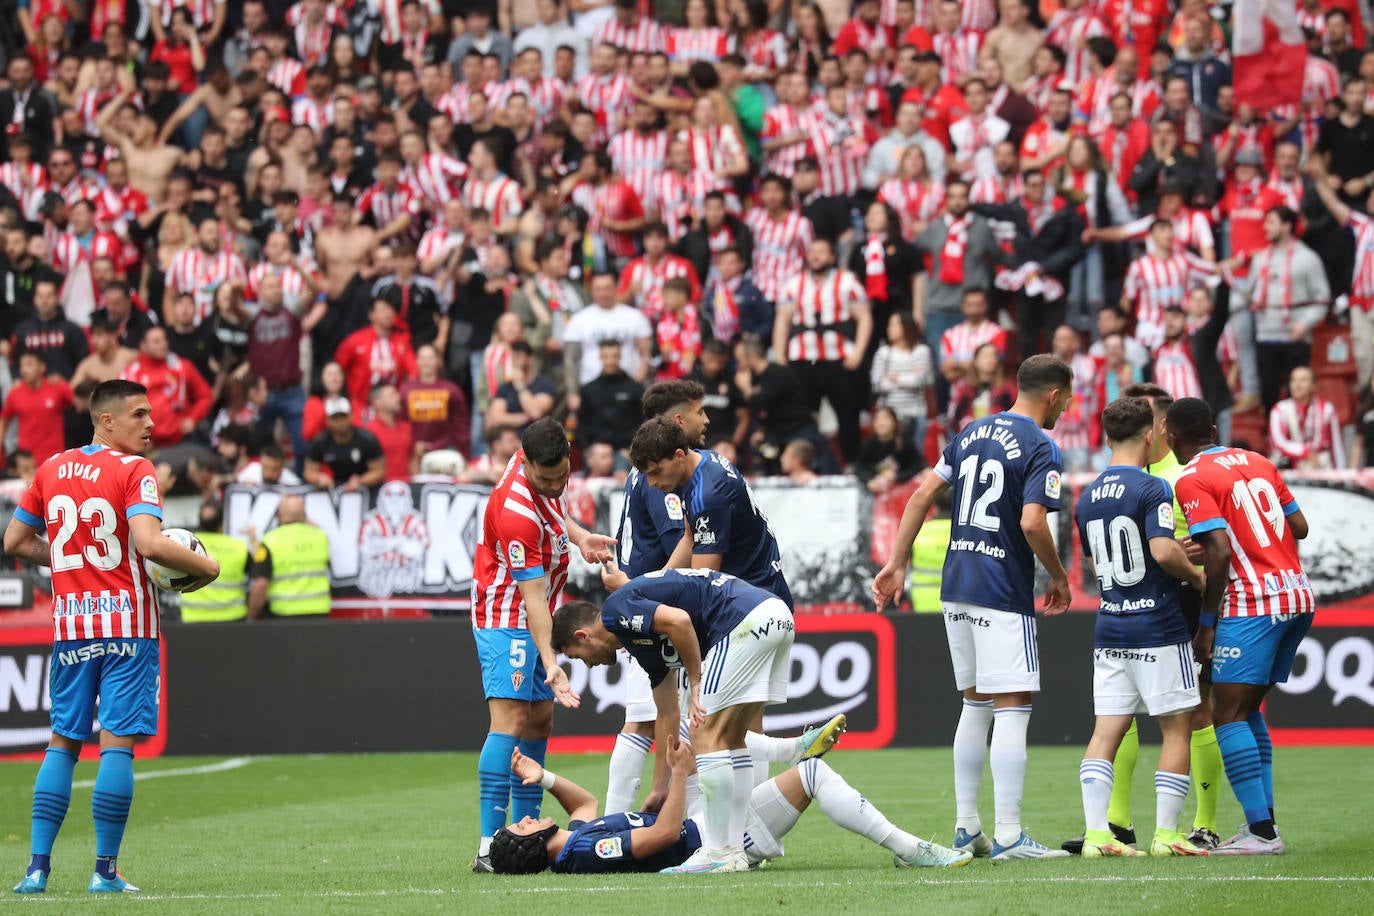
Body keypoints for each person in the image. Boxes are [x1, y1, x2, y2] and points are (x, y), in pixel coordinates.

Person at [7, 379, 220, 895]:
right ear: (107, 420)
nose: (151, 424)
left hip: (71, 628)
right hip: (128, 627)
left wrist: (64, 561)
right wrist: (206, 566)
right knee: (116, 750)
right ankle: (104, 871)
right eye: (140, 415)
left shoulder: (51, 468)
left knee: (61, 746)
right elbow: (149, 544)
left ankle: (36, 869)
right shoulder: (135, 469)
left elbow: (15, 541)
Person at [873, 355, 1075, 861]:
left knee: (974, 701)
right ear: (1053, 395)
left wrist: (896, 563)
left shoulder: (971, 431)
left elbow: (921, 495)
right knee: (1012, 705)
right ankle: (1009, 835)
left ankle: (967, 828)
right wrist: (1057, 573)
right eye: (1066, 400)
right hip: (1002, 587)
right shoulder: (1041, 444)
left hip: (956, 581)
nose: (1066, 408)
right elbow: (1032, 523)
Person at [553, 567, 794, 873]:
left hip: (744, 620)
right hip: (775, 615)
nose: (587, 664)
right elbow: (667, 714)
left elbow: (680, 621)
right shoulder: (640, 643)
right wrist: (660, 787)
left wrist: (696, 683)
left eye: (577, 656)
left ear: (582, 636)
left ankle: (719, 851)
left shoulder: (615, 612)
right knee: (732, 738)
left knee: (704, 731)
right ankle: (734, 849)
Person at [488, 729, 970, 874]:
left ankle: (790, 747)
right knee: (814, 775)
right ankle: (913, 851)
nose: (527, 817)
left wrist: (544, 775)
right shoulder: (579, 854)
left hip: (700, 816)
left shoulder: (570, 840)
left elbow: (587, 803)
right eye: (522, 826)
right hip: (711, 835)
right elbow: (662, 835)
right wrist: (678, 778)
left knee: (703, 732)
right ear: (530, 845)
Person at [1166, 397, 1315, 856]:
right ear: (1213, 427)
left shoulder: (1191, 476)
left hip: (1253, 602)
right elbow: (1301, 526)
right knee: (1248, 710)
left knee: (1225, 713)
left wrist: (1206, 625)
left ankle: (1263, 834)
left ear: (1172, 437)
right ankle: (1262, 823)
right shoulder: (1258, 461)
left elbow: (1220, 552)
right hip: (1296, 594)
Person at [470, 418, 615, 873]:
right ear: (525, 461)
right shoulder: (515, 511)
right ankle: (490, 846)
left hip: (535, 614)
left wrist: (580, 535)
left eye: (562, 477)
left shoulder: (544, 470)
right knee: (510, 718)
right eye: (546, 478)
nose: (555, 485)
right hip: (507, 616)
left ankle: (526, 833)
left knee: (539, 719)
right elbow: (532, 602)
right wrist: (552, 662)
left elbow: (556, 514)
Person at [1072, 397, 1207, 858]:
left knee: (1105, 731)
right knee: (1176, 729)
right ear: (1151, 436)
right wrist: (1197, 575)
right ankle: (1167, 836)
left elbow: (1094, 562)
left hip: (1111, 626)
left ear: (1107, 438)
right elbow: (1164, 551)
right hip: (1159, 625)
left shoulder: (1087, 495)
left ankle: (1096, 837)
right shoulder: (1152, 490)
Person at [605, 380, 710, 815]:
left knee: (650, 717)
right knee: (675, 717)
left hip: (636, 596)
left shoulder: (637, 469)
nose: (706, 420)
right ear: (678, 420)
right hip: (654, 605)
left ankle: (622, 816)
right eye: (698, 412)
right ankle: (651, 819)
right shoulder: (661, 478)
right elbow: (679, 544)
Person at [629, 418, 793, 609]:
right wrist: (652, 585)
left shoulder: (708, 495)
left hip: (758, 605)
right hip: (759, 594)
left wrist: (645, 600)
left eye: (656, 472)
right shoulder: (702, 462)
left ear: (679, 455)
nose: (651, 483)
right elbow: (690, 537)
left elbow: (701, 585)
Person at [246, 494, 332, 620]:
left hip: (283, 616)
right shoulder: (320, 537)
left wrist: (250, 617)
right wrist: (297, 510)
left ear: (280, 515)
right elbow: (310, 523)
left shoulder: (270, 540)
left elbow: (261, 585)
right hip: (319, 613)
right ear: (304, 514)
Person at [180, 500, 249, 623]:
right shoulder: (239, 546)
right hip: (233, 619)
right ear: (223, 522)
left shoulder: (186, 545)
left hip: (193, 618)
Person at [0, 352, 74, 466]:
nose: (24, 370)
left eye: (29, 364)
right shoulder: (15, 393)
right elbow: (4, 421)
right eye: (22, 366)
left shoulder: (57, 387)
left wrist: (65, 383)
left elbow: (80, 403)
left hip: (54, 459)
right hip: (26, 461)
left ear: (42, 367)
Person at [302, 397, 386, 492]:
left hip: (366, 489)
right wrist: (320, 478)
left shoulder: (367, 439)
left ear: (351, 416)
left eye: (343, 416)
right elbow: (309, 472)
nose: (340, 422)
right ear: (327, 420)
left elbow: (379, 471)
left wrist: (361, 481)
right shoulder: (320, 441)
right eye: (335, 418)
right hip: (335, 486)